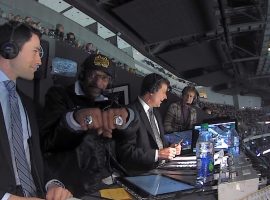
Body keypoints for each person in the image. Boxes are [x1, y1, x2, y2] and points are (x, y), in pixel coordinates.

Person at [40, 53, 138, 197]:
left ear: (110, 82)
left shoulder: (109, 103)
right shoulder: (59, 95)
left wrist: (128, 116)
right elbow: (48, 143)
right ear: (82, 74)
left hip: (109, 180)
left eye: (104, 78)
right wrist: (74, 120)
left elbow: (126, 137)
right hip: (75, 185)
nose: (98, 83)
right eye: (93, 75)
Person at [0, 21, 72, 200]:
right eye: (35, 51)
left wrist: (52, 184)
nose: (40, 60)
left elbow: (33, 157)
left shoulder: (28, 104)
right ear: (10, 50)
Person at [115, 73, 181, 174]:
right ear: (151, 91)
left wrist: (170, 148)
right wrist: (157, 155)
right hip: (140, 175)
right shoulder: (129, 113)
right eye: (163, 92)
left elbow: (157, 142)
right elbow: (125, 153)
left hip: (160, 171)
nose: (165, 97)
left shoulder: (156, 113)